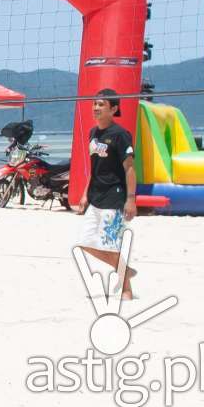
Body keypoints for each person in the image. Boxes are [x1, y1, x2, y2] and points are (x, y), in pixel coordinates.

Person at [77, 88, 138, 300]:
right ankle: (126, 270)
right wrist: (85, 193)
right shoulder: (93, 133)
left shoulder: (121, 135)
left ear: (113, 109)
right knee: (84, 244)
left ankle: (127, 289)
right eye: (95, 104)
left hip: (115, 196)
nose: (96, 107)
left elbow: (129, 168)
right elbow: (94, 168)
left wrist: (131, 200)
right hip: (95, 195)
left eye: (101, 104)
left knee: (111, 246)